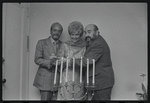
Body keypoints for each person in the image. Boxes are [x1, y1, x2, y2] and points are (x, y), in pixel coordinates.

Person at [75, 24, 115, 100]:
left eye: (89, 32)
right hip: (100, 82)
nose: (87, 35)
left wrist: (70, 61)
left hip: (102, 82)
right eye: (85, 32)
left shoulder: (98, 44)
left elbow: (86, 61)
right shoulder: (94, 42)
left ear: (97, 32)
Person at [33, 22, 64, 100]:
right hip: (44, 81)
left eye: (59, 31)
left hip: (58, 80)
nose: (57, 33)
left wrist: (62, 62)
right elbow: (37, 59)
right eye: (55, 30)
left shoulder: (63, 45)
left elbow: (64, 61)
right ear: (50, 31)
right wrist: (50, 62)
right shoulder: (41, 43)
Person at [57, 21, 87, 100]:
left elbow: (85, 63)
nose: (74, 37)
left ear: (80, 35)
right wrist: (60, 60)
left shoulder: (84, 46)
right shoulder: (64, 45)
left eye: (77, 34)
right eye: (72, 34)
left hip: (79, 76)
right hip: (66, 77)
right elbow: (59, 62)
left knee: (78, 97)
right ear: (69, 34)